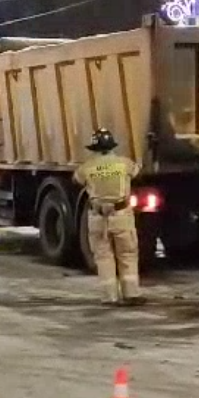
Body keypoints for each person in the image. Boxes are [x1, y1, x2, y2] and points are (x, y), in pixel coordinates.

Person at [72, 129, 145, 305]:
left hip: (98, 217)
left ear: (94, 148)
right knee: (127, 255)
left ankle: (109, 296)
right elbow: (138, 173)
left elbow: (75, 180)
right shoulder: (124, 164)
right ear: (112, 146)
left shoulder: (87, 167)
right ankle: (131, 294)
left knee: (103, 257)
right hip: (121, 215)